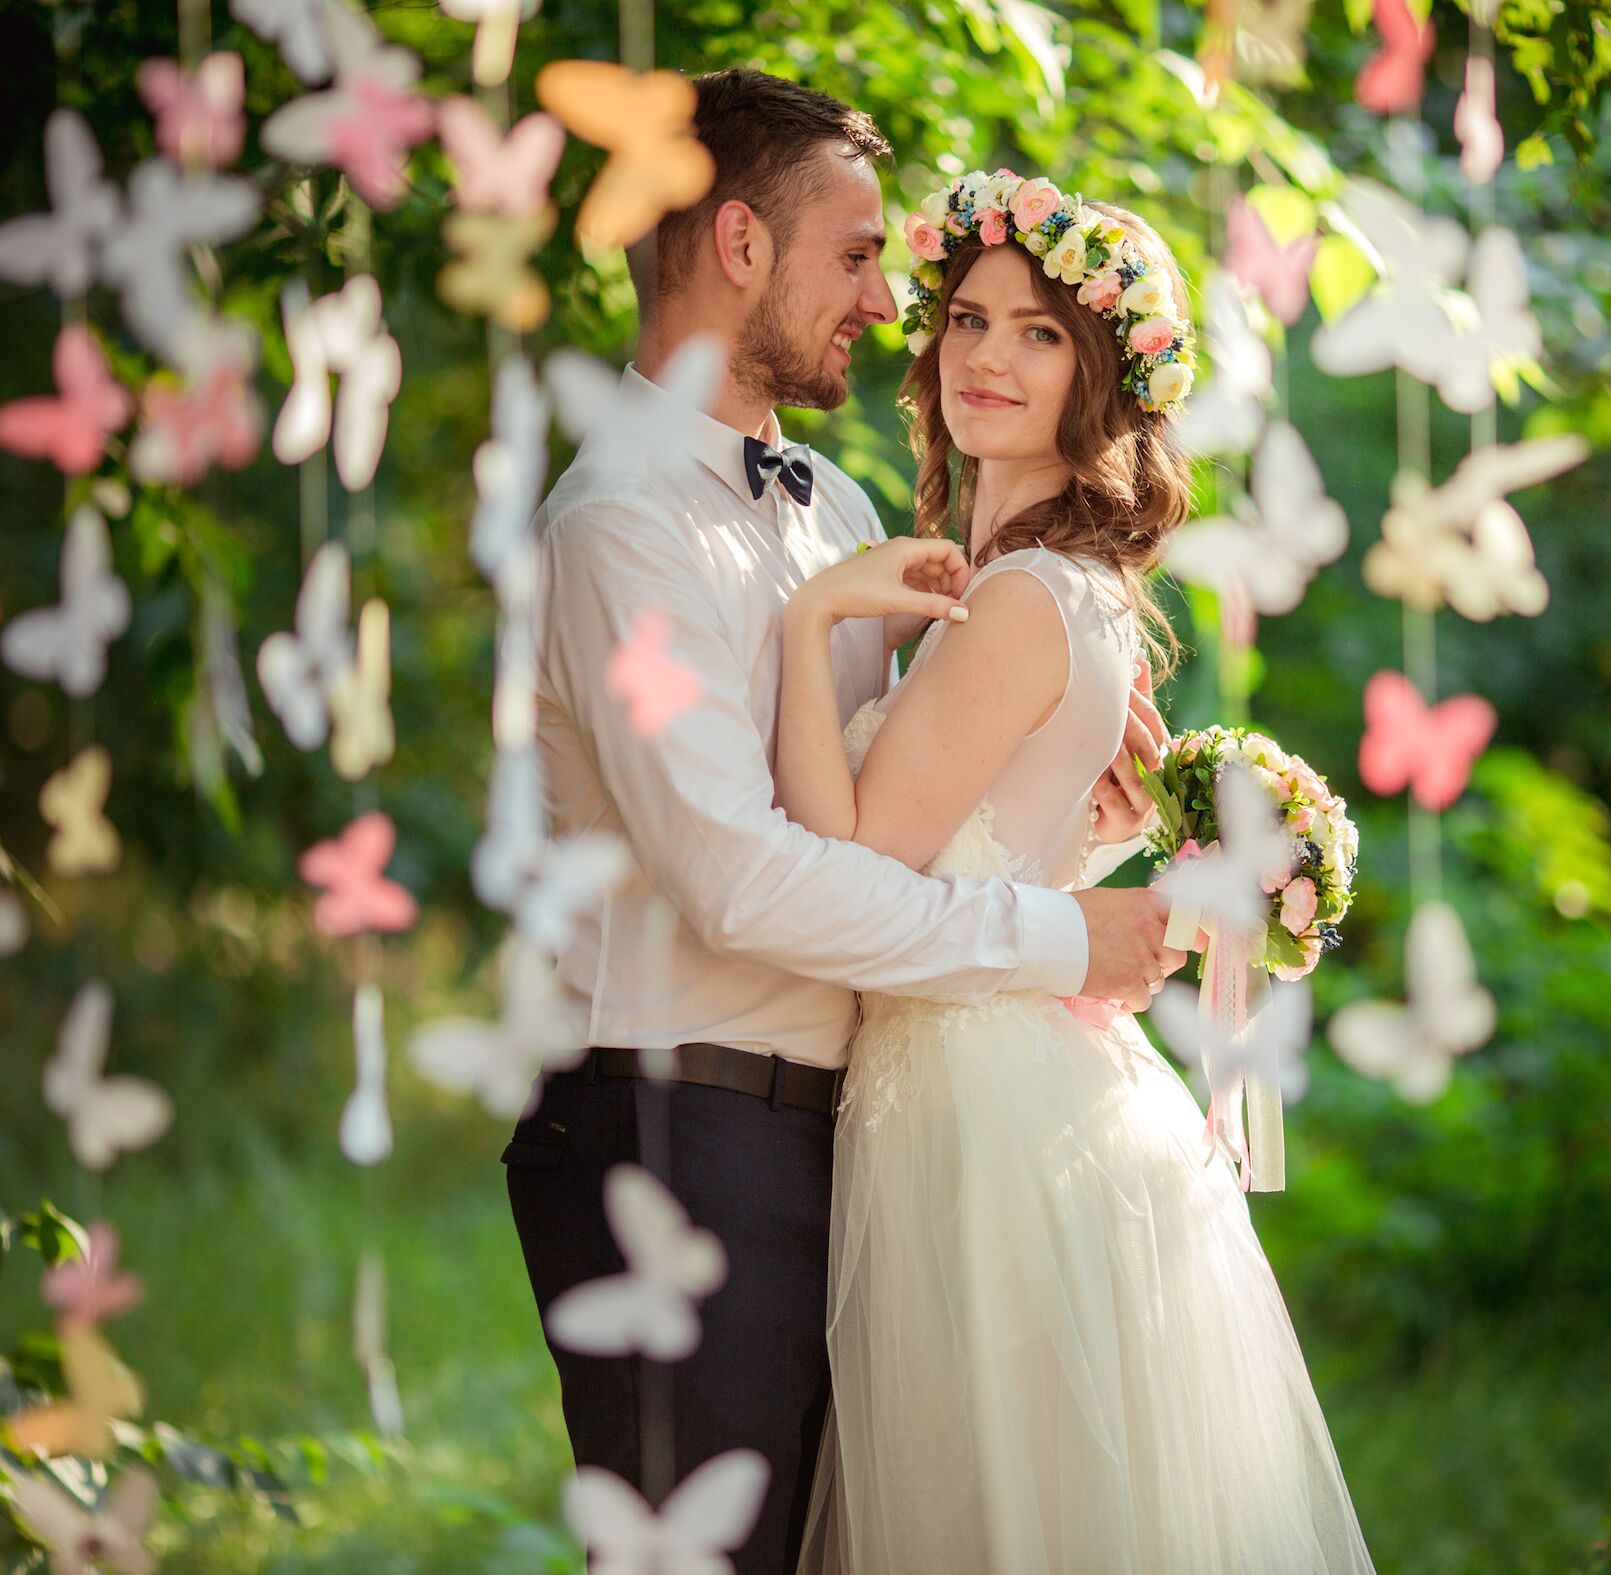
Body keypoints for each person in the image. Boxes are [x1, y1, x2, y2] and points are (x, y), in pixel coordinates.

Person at [504, 71, 1184, 1575]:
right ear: (740, 244)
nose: (890, 303)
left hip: (866, 1136)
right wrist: (1060, 938)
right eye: (858, 254)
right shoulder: (617, 525)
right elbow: (745, 880)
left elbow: (901, 810)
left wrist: (1074, 767)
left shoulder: (833, 508)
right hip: (675, 1134)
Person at [778, 176, 1377, 1572]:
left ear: (1100, 373)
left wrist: (812, 624)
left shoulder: (1016, 603)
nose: (986, 357)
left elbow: (844, 877)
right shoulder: (1072, 593)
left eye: (1039, 334)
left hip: (977, 1115)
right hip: (1028, 1085)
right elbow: (1018, 836)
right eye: (967, 321)